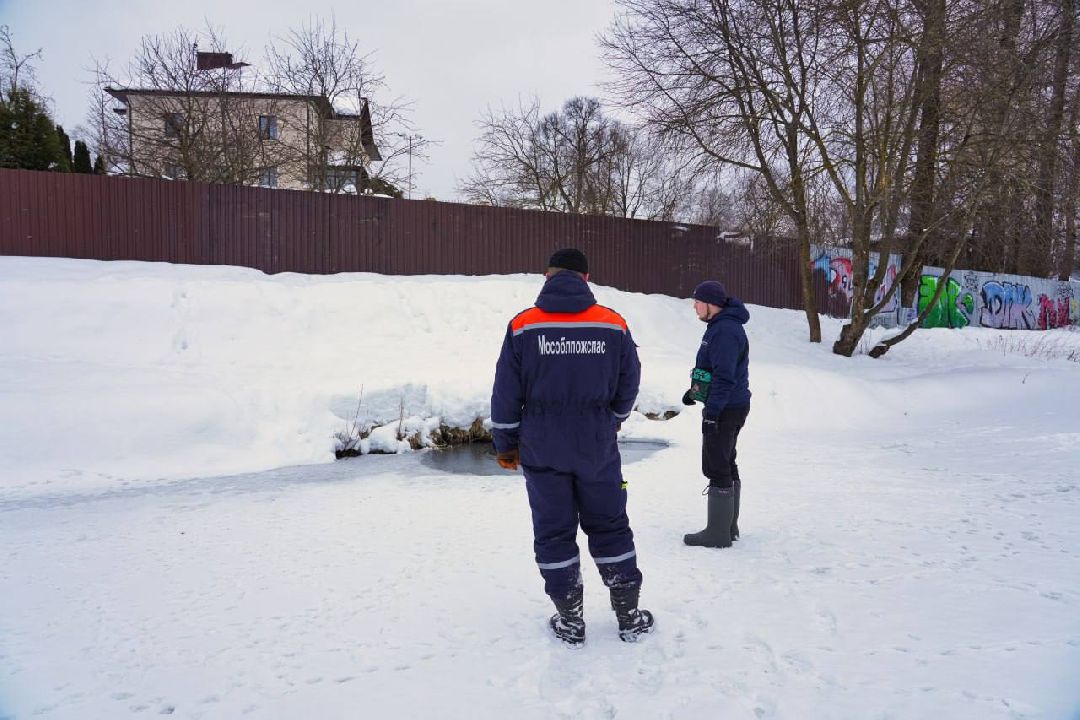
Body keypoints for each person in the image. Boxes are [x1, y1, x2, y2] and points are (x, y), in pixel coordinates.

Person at [490, 248, 654, 645]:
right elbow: (629, 381)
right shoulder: (612, 323)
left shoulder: (524, 325)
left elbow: (506, 392)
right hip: (596, 446)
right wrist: (611, 418)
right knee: (610, 524)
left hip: (542, 447)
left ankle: (570, 619)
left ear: (547, 276)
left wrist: (506, 443)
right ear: (585, 278)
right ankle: (629, 617)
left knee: (553, 531)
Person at [681, 280, 751, 548]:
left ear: (711, 304)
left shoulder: (724, 332)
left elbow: (724, 377)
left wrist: (712, 413)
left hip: (726, 407)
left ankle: (718, 533)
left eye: (697, 301)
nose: (694, 306)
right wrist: (695, 393)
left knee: (716, 465)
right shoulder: (720, 327)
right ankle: (728, 527)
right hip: (730, 405)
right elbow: (711, 369)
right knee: (726, 461)